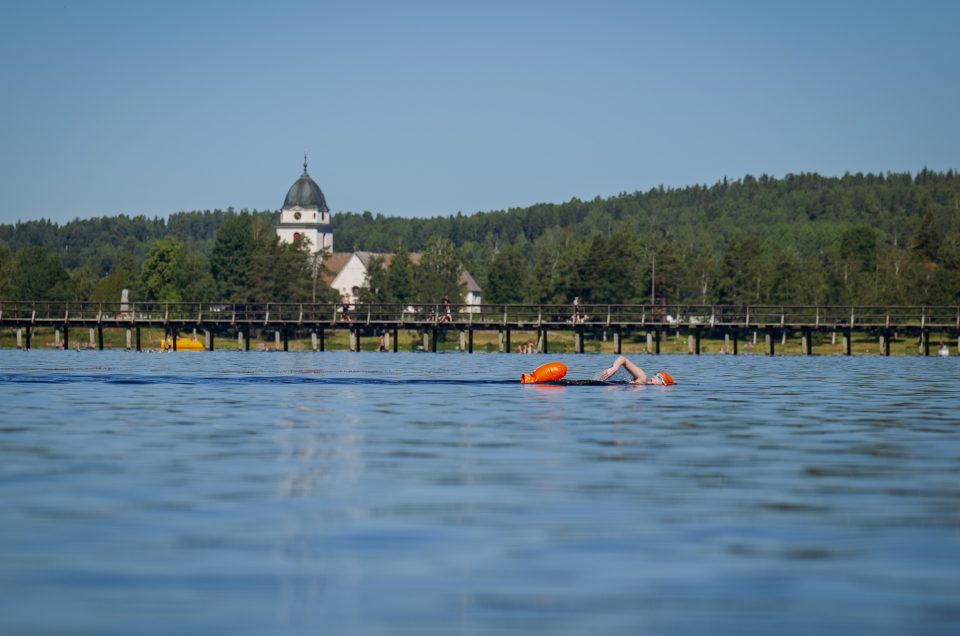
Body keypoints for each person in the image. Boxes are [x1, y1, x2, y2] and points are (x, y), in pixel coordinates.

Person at [598, 355, 675, 385]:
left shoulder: (644, 383)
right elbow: (622, 359)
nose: (654, 376)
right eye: (656, 374)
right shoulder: (643, 378)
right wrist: (614, 368)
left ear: (662, 384)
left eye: (659, 377)